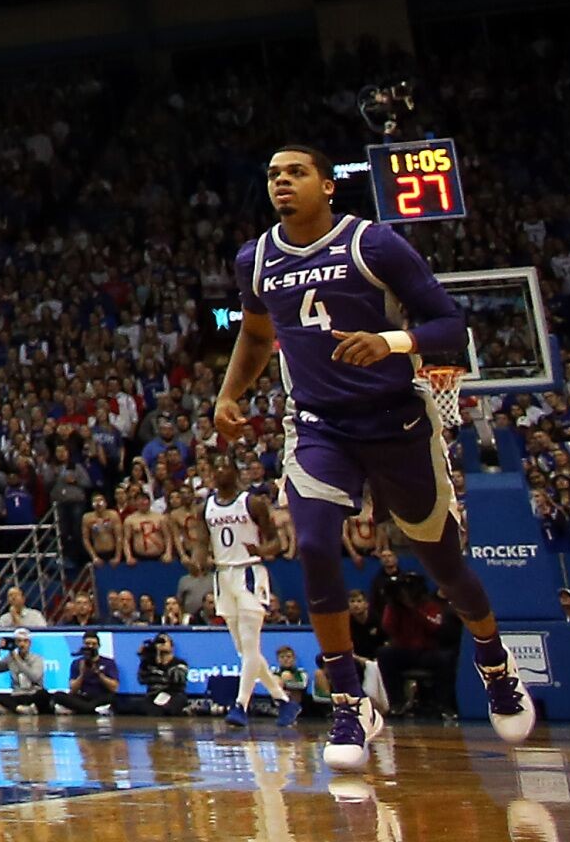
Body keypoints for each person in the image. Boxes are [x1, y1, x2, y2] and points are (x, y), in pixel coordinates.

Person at [214, 140, 534, 773]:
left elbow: (451, 325)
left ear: (327, 185)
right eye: (274, 173)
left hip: (396, 422)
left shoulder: (374, 244)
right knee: (311, 548)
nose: (283, 182)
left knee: (443, 563)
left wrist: (391, 341)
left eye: (297, 172)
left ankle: (497, 664)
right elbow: (256, 336)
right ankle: (349, 702)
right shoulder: (256, 259)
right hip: (318, 427)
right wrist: (228, 394)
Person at [200, 451, 293, 726]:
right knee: (244, 651)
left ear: (235, 471)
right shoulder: (206, 507)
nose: (218, 472)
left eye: (223, 466)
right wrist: (197, 558)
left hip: (249, 572)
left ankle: (240, 706)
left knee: (251, 645)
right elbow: (200, 542)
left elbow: (277, 543)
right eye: (213, 468)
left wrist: (262, 549)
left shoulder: (251, 503)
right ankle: (284, 701)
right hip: (222, 576)